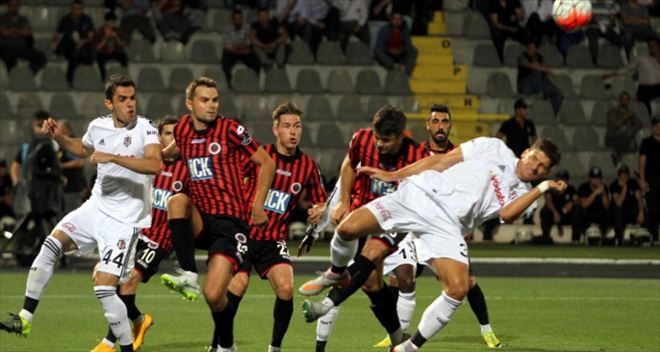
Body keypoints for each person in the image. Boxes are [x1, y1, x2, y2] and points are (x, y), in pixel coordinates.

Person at [302, 137, 563, 352]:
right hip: (420, 195)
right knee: (348, 229)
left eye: (543, 168)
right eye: (535, 159)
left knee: (459, 288)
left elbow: (507, 215)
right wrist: (393, 175)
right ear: (526, 151)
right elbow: (440, 160)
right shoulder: (493, 147)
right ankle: (335, 276)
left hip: (447, 225)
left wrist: (542, 189)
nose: (536, 168)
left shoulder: (527, 195)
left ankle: (407, 348)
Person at [0, 74, 162, 352]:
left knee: (104, 288)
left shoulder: (145, 129)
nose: (130, 104)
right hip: (96, 207)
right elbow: (82, 148)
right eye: (122, 99)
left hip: (125, 221)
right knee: (50, 245)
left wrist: (112, 157)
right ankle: (25, 318)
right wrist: (59, 137)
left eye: (132, 98)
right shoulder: (98, 126)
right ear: (109, 103)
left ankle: (124, 348)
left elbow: (155, 164)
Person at [159, 77, 275, 352]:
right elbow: (170, 154)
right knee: (176, 200)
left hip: (230, 222)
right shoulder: (184, 128)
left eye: (215, 100)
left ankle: (226, 345)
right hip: (202, 218)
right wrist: (146, 154)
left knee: (214, 295)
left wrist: (258, 206)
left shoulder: (231, 129)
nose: (211, 106)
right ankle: (188, 274)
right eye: (204, 100)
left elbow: (267, 163)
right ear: (190, 104)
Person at [299, 105, 428, 350]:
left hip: (395, 217)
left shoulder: (417, 154)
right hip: (364, 208)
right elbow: (349, 164)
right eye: (377, 138)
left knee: (369, 252)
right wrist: (344, 200)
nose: (379, 144)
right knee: (371, 282)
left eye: (386, 140)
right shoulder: (362, 139)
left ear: (402, 136)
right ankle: (398, 339)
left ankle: (326, 303)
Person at [220, 101, 327, 352]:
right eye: (287, 126)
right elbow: (230, 175)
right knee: (238, 285)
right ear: (275, 130)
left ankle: (275, 348)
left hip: (273, 238)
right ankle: (221, 346)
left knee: (286, 288)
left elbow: (322, 201)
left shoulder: (308, 166)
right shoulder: (259, 155)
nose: (293, 131)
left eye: (297, 126)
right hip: (244, 234)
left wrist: (319, 210)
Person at [90, 116, 186, 352]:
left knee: (130, 280)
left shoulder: (187, 170)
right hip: (135, 232)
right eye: (167, 134)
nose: (171, 138)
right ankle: (140, 321)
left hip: (161, 238)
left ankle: (109, 343)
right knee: (103, 279)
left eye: (176, 134)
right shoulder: (148, 164)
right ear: (158, 137)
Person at [604, 39, 660, 116]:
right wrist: (612, 74)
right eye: (649, 45)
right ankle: (648, 118)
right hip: (646, 88)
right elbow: (628, 69)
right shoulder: (642, 58)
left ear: (658, 46)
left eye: (654, 45)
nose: (651, 47)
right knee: (642, 99)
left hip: (658, 86)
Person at [52, 0, 96, 85]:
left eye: (79, 9)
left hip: (84, 46)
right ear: (71, 9)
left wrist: (83, 42)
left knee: (85, 53)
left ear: (82, 9)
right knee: (74, 54)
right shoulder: (65, 19)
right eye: (75, 8)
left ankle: (79, 80)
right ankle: (70, 80)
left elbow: (91, 36)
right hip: (69, 47)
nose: (77, 11)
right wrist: (54, 44)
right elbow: (58, 35)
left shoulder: (87, 19)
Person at [517, 41, 563, 115]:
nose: (529, 50)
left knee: (557, 93)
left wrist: (544, 69)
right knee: (537, 71)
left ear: (536, 50)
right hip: (525, 86)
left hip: (539, 85)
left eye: (531, 48)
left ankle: (553, 116)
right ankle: (540, 93)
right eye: (528, 48)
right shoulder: (522, 56)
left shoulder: (540, 57)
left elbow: (544, 68)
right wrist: (546, 70)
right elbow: (531, 66)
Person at [0, 0, 46, 74]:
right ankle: (12, 79)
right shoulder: (2, 18)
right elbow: (4, 32)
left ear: (18, 6)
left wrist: (12, 30)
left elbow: (29, 32)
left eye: (16, 5)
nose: (14, 7)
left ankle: (28, 74)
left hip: (22, 48)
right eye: (11, 5)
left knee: (40, 57)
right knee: (9, 59)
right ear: (8, 7)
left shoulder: (23, 19)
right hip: (6, 47)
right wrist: (21, 31)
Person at [222, 8, 261, 87]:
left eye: (240, 18)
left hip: (243, 52)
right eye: (236, 18)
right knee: (225, 62)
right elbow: (227, 47)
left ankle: (254, 82)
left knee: (256, 61)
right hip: (233, 53)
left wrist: (239, 46)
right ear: (232, 19)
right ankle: (229, 84)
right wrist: (241, 49)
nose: (238, 20)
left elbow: (249, 42)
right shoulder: (227, 30)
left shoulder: (246, 28)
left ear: (242, 19)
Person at [539, 169, 577, 244]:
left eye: (562, 179)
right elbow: (548, 201)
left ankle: (576, 239)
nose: (560, 180)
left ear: (567, 180)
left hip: (566, 214)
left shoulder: (571, 189)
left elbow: (577, 199)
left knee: (577, 210)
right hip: (554, 213)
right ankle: (546, 237)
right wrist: (555, 213)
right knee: (545, 211)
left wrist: (572, 203)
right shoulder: (551, 189)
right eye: (558, 178)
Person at [58, 120, 87, 214]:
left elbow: (79, 162)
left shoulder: (72, 143)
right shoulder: (61, 145)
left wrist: (61, 166)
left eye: (60, 129)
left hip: (74, 187)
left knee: (72, 212)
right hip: (65, 188)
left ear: (67, 130)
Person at [574, 167, 610, 244]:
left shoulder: (603, 187)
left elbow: (606, 206)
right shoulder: (583, 187)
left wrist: (603, 193)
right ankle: (576, 238)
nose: (596, 180)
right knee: (577, 210)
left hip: (599, 214)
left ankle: (603, 237)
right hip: (587, 215)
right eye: (594, 178)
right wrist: (595, 193)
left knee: (609, 212)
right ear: (589, 178)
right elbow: (584, 205)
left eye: (598, 178)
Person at [610, 164, 644, 245]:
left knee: (642, 210)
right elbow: (619, 202)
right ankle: (618, 237)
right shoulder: (614, 185)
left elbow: (639, 198)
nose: (624, 177)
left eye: (625, 174)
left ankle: (644, 236)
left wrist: (641, 212)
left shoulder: (633, 183)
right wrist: (624, 187)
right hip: (620, 212)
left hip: (631, 210)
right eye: (622, 174)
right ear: (618, 175)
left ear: (628, 175)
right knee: (618, 209)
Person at [605, 91, 643, 162]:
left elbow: (640, 125)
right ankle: (619, 155)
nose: (624, 101)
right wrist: (626, 116)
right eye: (623, 99)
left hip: (626, 138)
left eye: (626, 99)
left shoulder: (631, 112)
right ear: (619, 100)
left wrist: (633, 120)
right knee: (627, 130)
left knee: (631, 133)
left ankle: (618, 155)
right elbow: (615, 125)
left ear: (628, 101)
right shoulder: (613, 111)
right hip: (613, 136)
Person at [639, 116, 660, 244]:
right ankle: (654, 237)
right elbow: (642, 163)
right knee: (653, 208)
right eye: (656, 125)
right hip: (652, 179)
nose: (658, 128)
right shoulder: (646, 143)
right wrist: (642, 180)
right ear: (652, 128)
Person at [94, 11, 128, 81]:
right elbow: (98, 48)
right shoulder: (99, 31)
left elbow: (122, 45)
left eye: (114, 22)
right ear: (106, 22)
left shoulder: (117, 30)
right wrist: (106, 38)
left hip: (114, 51)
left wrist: (116, 38)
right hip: (103, 52)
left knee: (123, 56)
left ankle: (124, 76)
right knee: (99, 57)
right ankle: (103, 79)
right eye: (110, 22)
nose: (112, 23)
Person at [586, 0, 622, 65]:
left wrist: (609, 26)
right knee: (592, 36)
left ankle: (615, 59)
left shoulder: (611, 4)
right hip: (594, 27)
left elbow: (613, 21)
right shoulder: (589, 4)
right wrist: (596, 21)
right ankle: (594, 60)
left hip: (607, 27)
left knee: (618, 39)